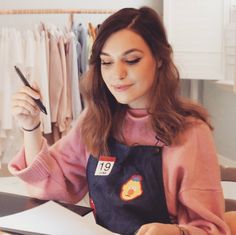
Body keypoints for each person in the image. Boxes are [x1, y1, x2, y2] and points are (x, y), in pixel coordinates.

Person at [10, 6, 230, 235]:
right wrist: (30, 126)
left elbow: (212, 230)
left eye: (132, 60)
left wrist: (175, 232)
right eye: (107, 62)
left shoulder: (191, 132)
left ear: (160, 59)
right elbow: (49, 187)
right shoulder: (95, 120)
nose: (117, 74)